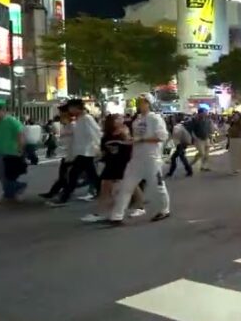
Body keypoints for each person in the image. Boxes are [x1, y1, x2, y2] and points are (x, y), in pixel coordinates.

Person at [108, 94, 170, 224]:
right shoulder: (137, 120)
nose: (139, 104)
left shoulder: (155, 118)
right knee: (126, 186)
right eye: (138, 102)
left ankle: (164, 210)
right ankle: (117, 216)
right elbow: (136, 139)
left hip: (151, 158)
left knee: (158, 186)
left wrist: (141, 140)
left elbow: (162, 136)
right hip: (136, 159)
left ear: (149, 103)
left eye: (142, 102)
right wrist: (130, 141)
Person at [83, 114, 144, 223]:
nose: (121, 120)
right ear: (111, 122)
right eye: (117, 119)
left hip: (123, 163)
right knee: (105, 187)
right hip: (111, 163)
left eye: (121, 118)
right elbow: (103, 149)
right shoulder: (107, 135)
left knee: (132, 185)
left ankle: (140, 207)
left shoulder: (125, 131)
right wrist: (100, 156)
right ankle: (100, 212)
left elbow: (130, 146)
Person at [49, 100, 102, 206]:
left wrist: (97, 147)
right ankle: (102, 191)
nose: (69, 110)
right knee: (91, 175)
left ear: (76, 108)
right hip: (82, 151)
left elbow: (96, 133)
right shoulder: (79, 119)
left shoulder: (87, 118)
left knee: (74, 174)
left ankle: (65, 197)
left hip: (87, 151)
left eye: (70, 108)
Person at [0, 102, 27, 205]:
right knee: (2, 176)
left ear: (3, 111)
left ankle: (14, 190)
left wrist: (20, 149)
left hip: (11, 152)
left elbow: (20, 134)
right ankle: (13, 193)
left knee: (8, 176)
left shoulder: (12, 121)